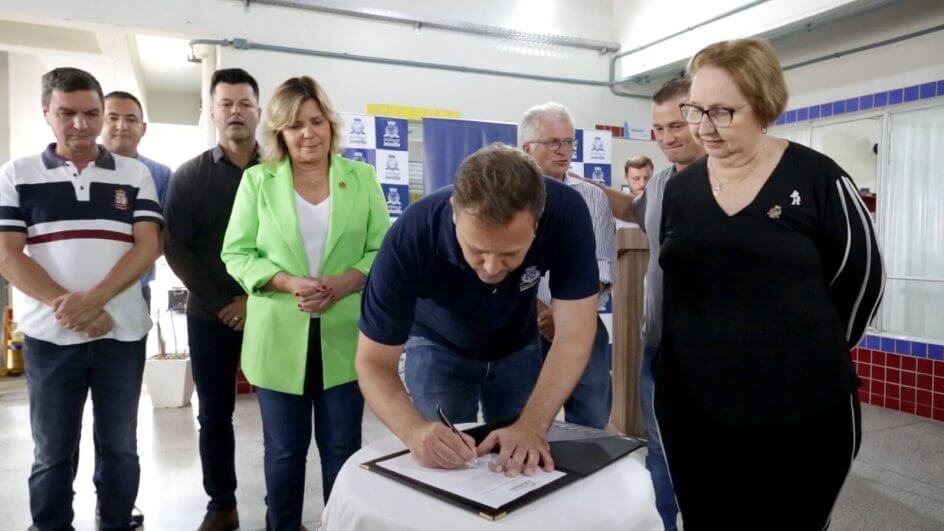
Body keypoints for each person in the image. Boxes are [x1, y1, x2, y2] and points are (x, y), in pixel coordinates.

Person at [656, 38, 884, 529]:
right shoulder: (680, 190)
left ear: (762, 105)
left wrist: (805, 350)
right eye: (696, 109)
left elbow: (862, 282)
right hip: (696, 409)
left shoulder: (819, 179)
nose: (703, 127)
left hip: (800, 412)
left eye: (722, 111)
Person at [357, 143, 600, 477]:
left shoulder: (566, 212)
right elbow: (372, 361)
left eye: (510, 254)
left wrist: (532, 425)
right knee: (443, 462)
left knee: (523, 463)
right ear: (455, 211)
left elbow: (574, 334)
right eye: (477, 250)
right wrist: (414, 432)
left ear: (538, 221)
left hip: (518, 342)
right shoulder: (411, 235)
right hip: (437, 343)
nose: (490, 268)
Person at [221, 76, 390, 530]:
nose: (308, 133)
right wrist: (287, 281)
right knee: (284, 450)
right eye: (295, 125)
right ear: (279, 132)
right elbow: (236, 252)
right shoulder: (258, 181)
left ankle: (339, 524)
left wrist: (342, 282)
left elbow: (381, 249)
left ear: (331, 126)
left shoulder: (362, 178)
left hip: (346, 338)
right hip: (277, 339)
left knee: (342, 447)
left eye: (316, 121)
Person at [0, 67, 162, 531]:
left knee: (120, 445)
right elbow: (8, 255)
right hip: (50, 339)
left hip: (122, 333)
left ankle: (114, 522)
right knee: (52, 450)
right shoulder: (17, 174)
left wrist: (94, 302)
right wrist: (69, 309)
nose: (81, 125)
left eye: (91, 113)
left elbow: (149, 245)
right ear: (46, 113)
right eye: (66, 113)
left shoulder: (134, 174)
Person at [594, 77, 705, 531]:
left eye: (677, 125)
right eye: (659, 129)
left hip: (714, 352)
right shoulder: (659, 184)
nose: (668, 138)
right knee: (658, 447)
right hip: (659, 346)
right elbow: (632, 209)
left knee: (711, 450)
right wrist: (581, 187)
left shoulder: (726, 179)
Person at [163, 68, 261, 531]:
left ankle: (284, 507)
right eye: (226, 103)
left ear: (259, 110)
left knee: (285, 412)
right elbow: (175, 246)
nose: (236, 111)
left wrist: (253, 299)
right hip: (211, 315)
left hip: (274, 311)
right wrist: (227, 300)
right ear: (213, 112)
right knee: (215, 414)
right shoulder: (190, 177)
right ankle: (221, 504)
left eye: (244, 102)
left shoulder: (281, 172)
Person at [519, 102, 616, 429]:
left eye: (569, 142)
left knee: (590, 420)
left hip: (581, 320)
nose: (564, 151)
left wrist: (564, 316)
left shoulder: (593, 197)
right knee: (518, 416)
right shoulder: (508, 194)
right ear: (527, 148)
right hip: (521, 324)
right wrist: (538, 312)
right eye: (553, 143)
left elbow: (603, 265)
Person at [102, 91, 171, 307]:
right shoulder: (81, 169)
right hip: (79, 287)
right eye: (112, 117)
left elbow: (163, 239)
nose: (121, 125)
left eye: (131, 119)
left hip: (135, 289)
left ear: (143, 128)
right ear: (98, 122)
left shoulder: (160, 174)